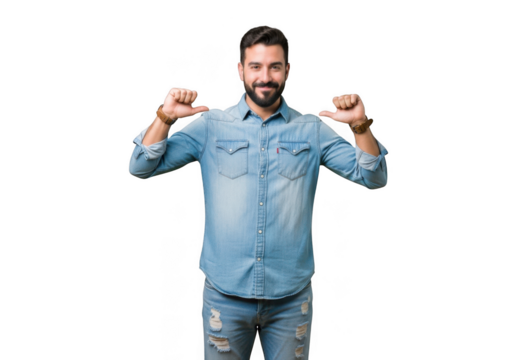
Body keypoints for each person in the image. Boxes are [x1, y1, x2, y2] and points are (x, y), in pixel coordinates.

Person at [128, 25, 388, 360]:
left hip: (290, 299)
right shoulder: (212, 125)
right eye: (255, 66)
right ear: (240, 71)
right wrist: (165, 117)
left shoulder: (311, 129)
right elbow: (139, 167)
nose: (265, 76)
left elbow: (375, 177)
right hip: (224, 295)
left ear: (288, 71)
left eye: (274, 66)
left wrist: (359, 126)